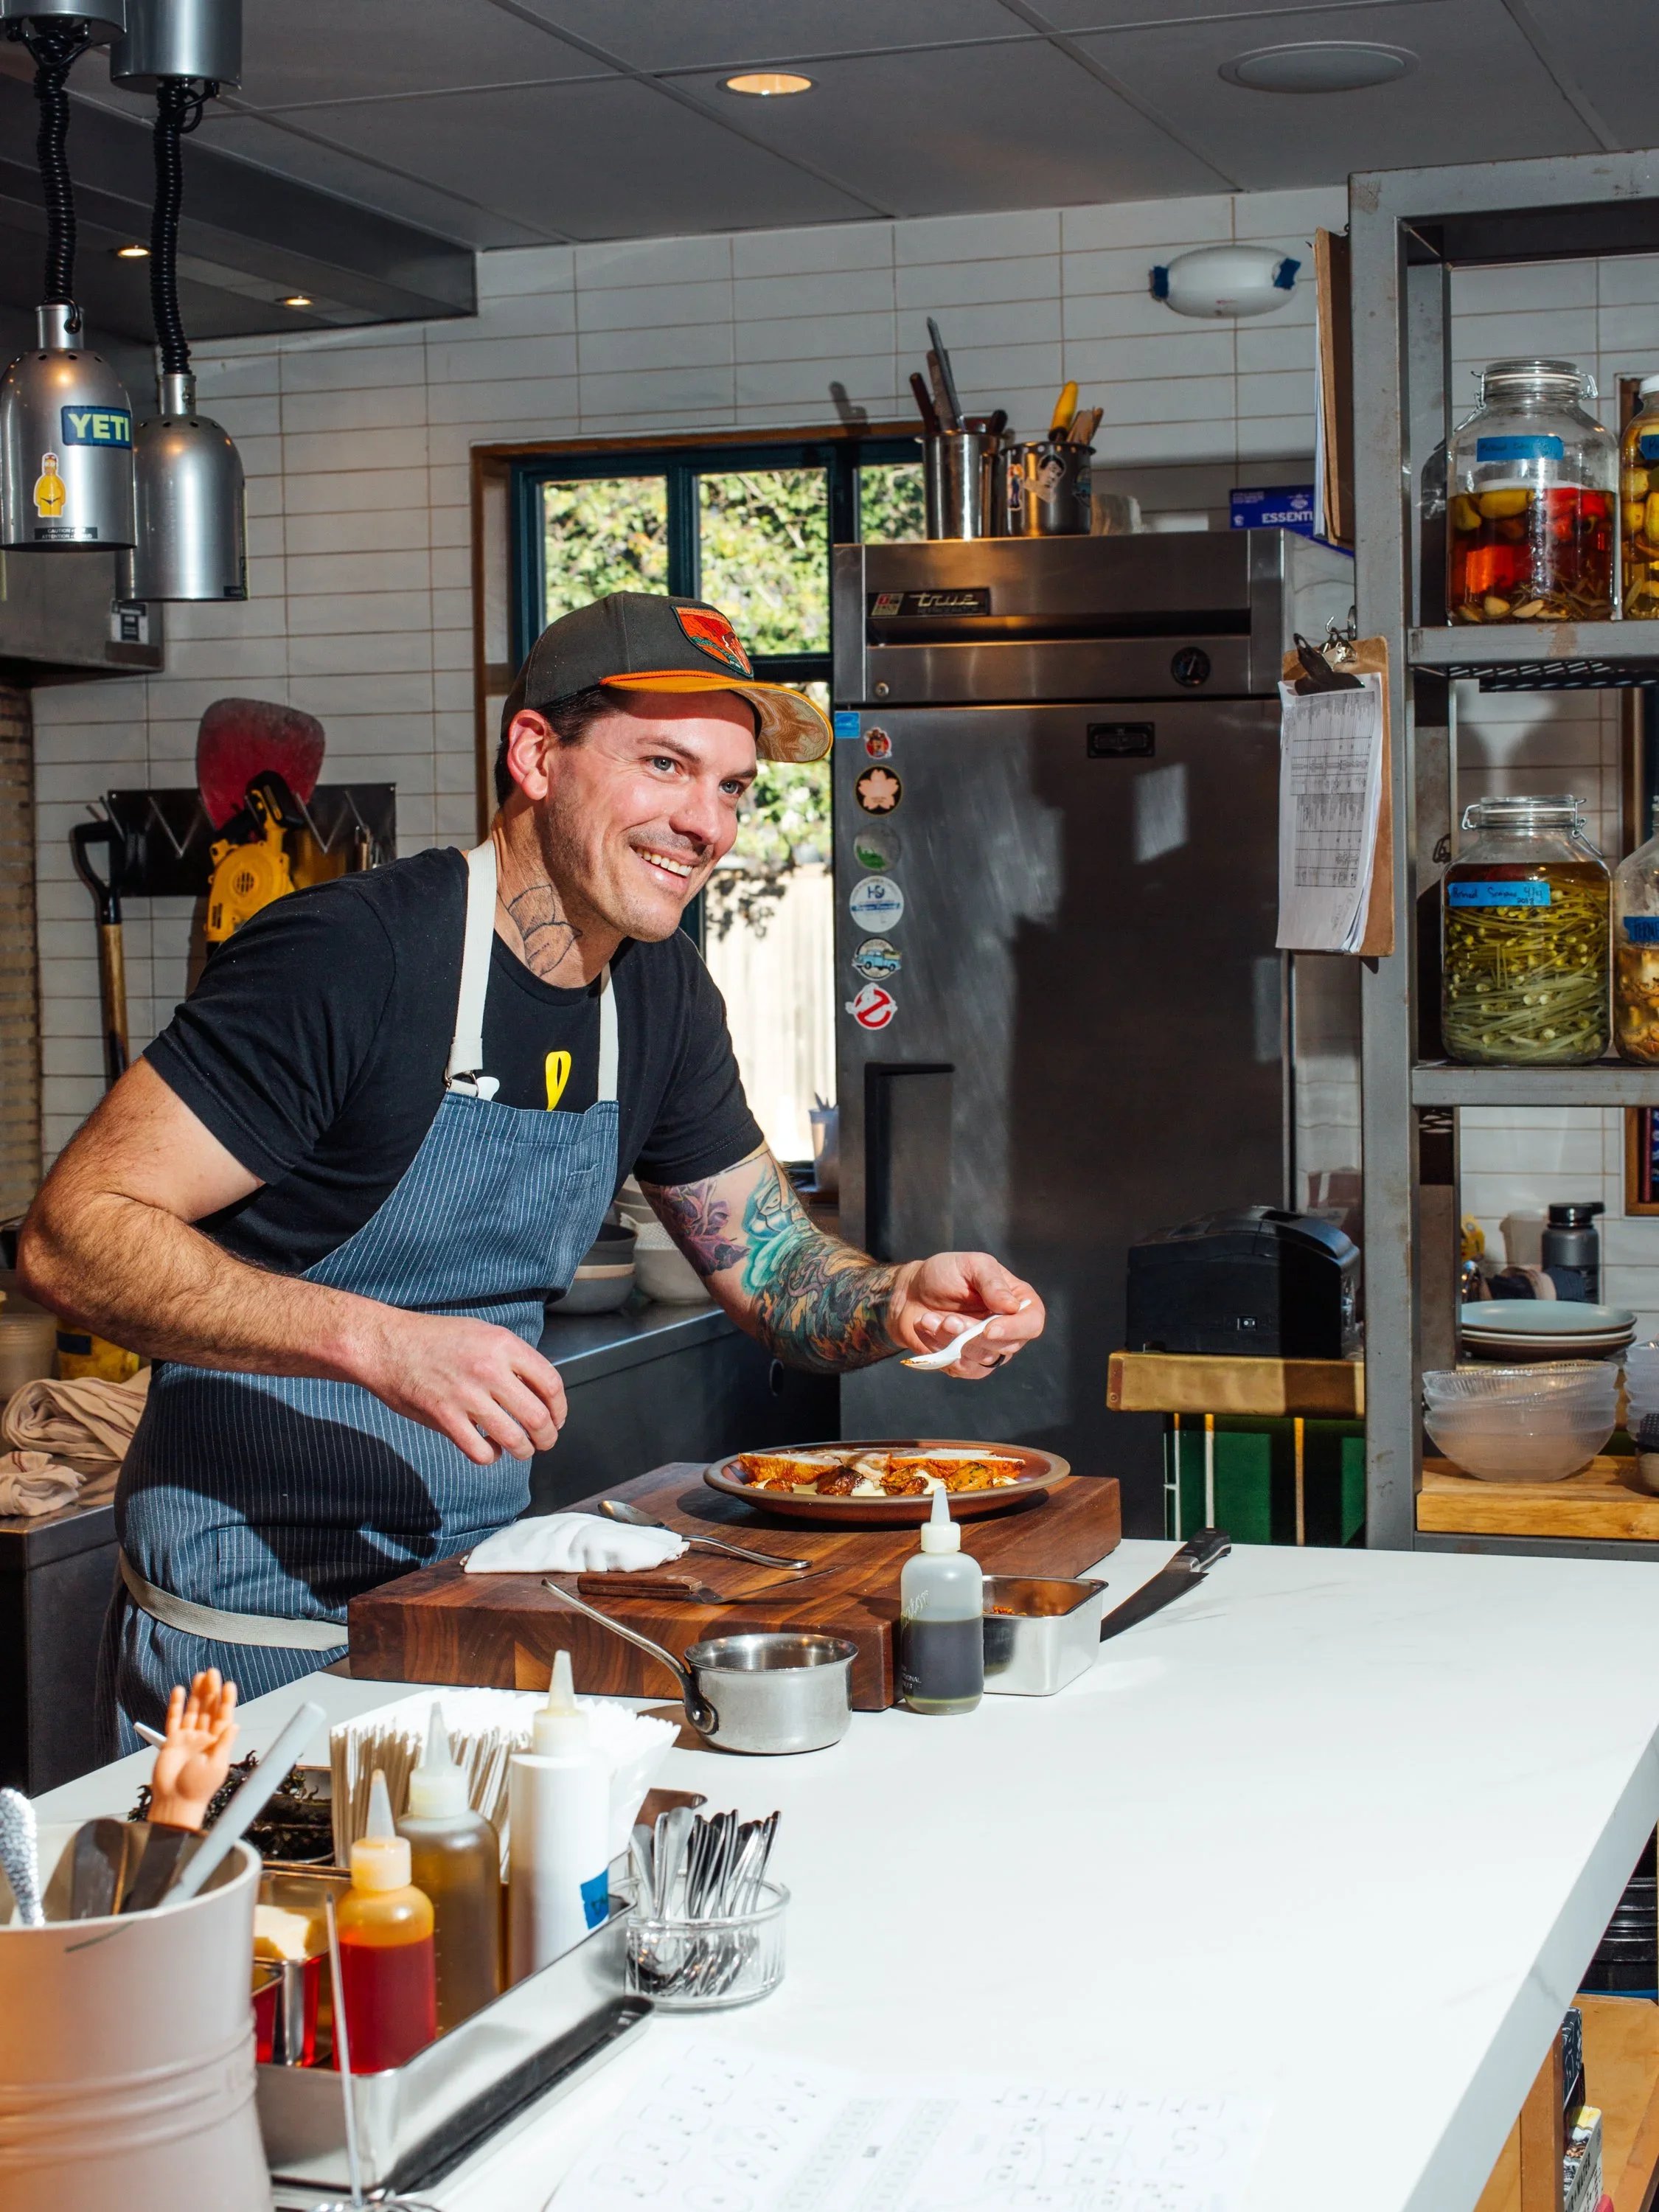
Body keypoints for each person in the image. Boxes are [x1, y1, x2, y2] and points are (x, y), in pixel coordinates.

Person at [20, 591, 1045, 1752]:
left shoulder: (656, 992)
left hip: (470, 1603)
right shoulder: (353, 959)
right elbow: (75, 1231)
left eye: (733, 787)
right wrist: (378, 1341)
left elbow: (769, 1263)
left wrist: (889, 1300)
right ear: (536, 756)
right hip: (253, 1648)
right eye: (664, 764)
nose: (705, 822)